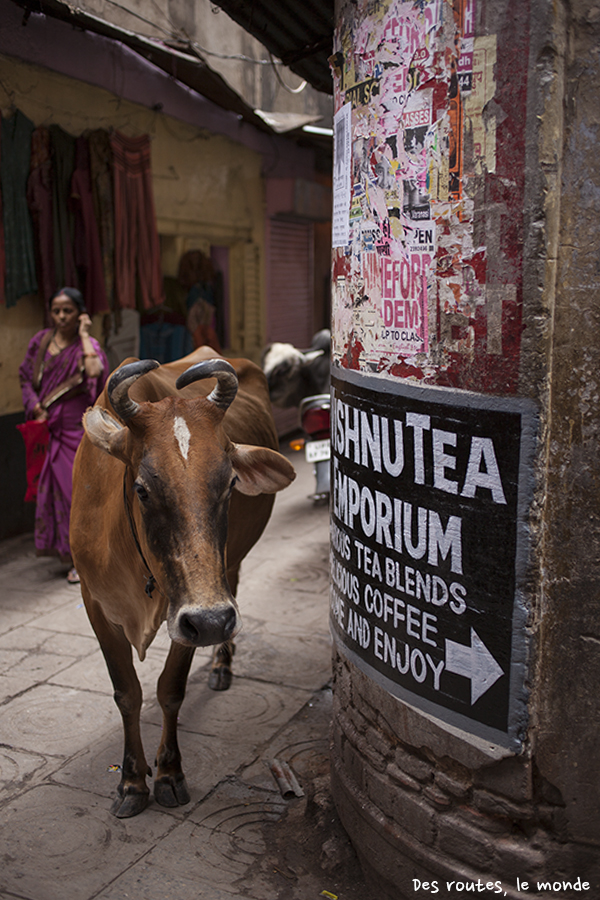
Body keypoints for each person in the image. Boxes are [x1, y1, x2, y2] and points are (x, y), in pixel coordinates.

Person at [19, 287, 108, 582]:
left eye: (67, 310)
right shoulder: (40, 343)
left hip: (75, 430)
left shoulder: (88, 345)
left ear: (79, 313)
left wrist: (84, 334)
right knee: (52, 494)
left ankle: (84, 559)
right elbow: (24, 377)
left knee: (76, 494)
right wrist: (33, 405)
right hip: (48, 428)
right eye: (56, 310)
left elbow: (95, 372)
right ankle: (66, 554)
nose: (60, 316)